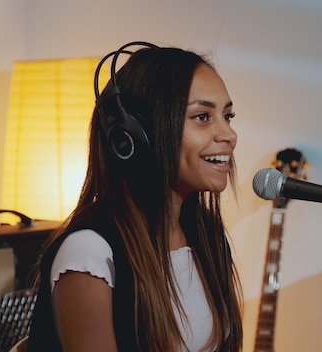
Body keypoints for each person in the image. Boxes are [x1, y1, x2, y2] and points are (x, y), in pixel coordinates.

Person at [25, 41, 243, 352]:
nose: (229, 135)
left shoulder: (207, 235)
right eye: (202, 117)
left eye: (228, 116)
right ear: (136, 135)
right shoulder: (90, 252)